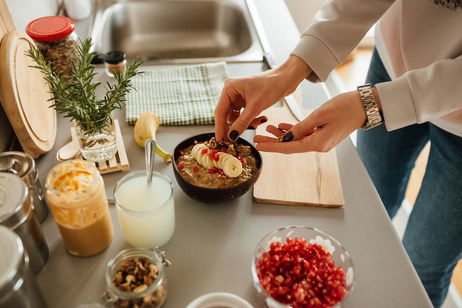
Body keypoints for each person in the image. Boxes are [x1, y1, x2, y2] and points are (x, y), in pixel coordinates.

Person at [214, 0, 462, 307]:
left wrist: (371, 104)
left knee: (423, 264)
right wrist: (291, 68)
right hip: (394, 63)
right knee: (370, 200)